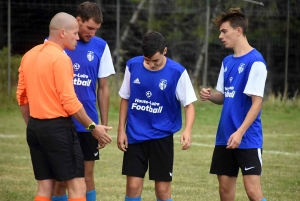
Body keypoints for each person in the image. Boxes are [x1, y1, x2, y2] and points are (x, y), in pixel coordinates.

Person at [16, 12, 112, 201]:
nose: (77, 37)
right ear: (62, 33)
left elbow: (21, 97)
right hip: (58, 128)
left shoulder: (29, 55)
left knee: (44, 187)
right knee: (77, 185)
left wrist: (34, 125)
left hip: (35, 128)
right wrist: (93, 127)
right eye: (74, 33)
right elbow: (69, 102)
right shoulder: (60, 59)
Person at [117, 31, 197, 201]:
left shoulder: (177, 72)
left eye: (155, 61)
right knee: (133, 186)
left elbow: (189, 105)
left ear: (164, 51)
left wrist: (188, 130)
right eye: (147, 60)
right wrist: (121, 131)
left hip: (161, 137)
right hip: (135, 135)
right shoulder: (132, 66)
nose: (151, 65)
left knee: (162, 190)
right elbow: (125, 98)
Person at [199, 8, 267, 201]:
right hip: (225, 136)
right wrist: (210, 95)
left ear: (238, 31)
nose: (220, 36)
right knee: (225, 192)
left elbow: (256, 104)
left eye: (224, 31)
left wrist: (240, 132)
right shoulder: (227, 61)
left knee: (253, 192)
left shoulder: (256, 62)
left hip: (247, 138)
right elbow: (224, 96)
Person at [51, 2, 115, 201]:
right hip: (60, 121)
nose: (92, 34)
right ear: (78, 21)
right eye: (89, 28)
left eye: (96, 29)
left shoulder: (100, 46)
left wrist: (102, 124)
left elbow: (103, 88)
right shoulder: (56, 44)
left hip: (88, 123)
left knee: (87, 177)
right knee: (61, 179)